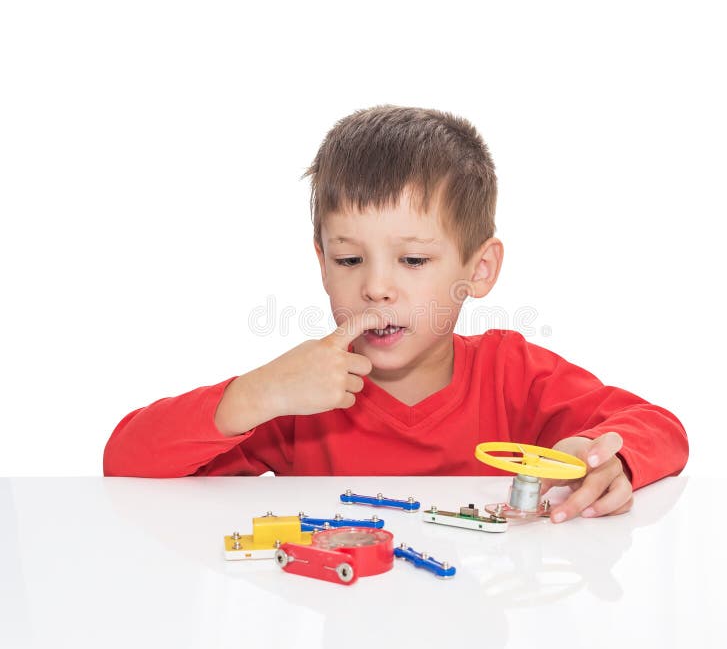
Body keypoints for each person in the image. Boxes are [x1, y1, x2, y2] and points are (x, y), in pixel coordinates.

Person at [104, 105, 688, 523]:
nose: (376, 287)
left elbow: (659, 426)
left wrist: (600, 456)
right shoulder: (301, 397)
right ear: (322, 264)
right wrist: (256, 395)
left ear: (478, 270)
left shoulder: (513, 373)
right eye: (350, 257)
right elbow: (125, 461)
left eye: (412, 259)